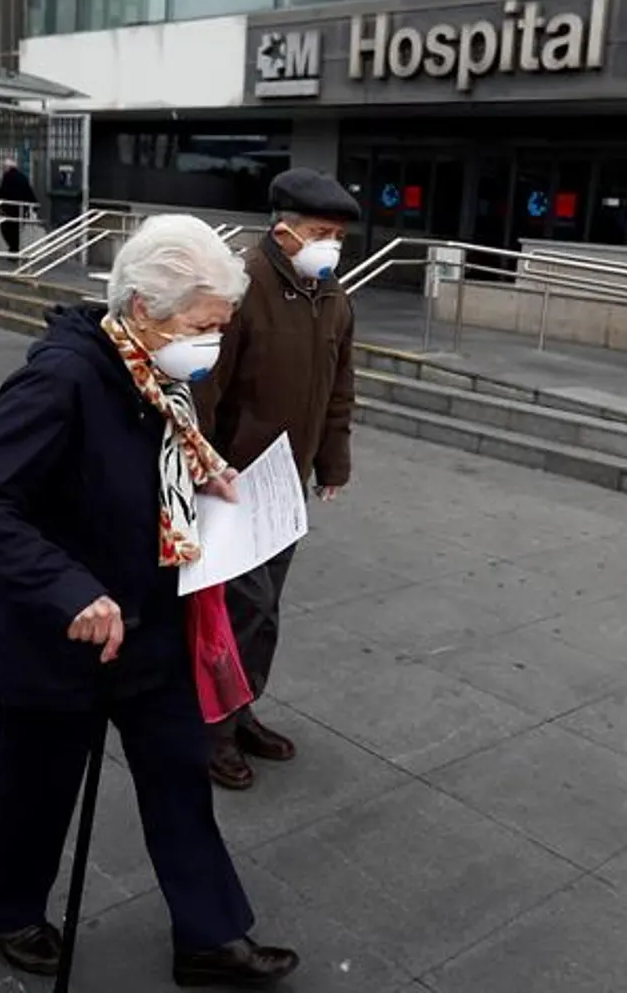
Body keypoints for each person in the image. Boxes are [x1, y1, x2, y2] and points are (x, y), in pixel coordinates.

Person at [0, 214, 299, 988]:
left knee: (178, 776)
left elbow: (150, 459)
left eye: (220, 328)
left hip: (153, 626)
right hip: (60, 639)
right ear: (142, 308)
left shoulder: (156, 374)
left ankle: (209, 934)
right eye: (203, 327)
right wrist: (69, 587)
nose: (212, 344)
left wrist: (203, 475)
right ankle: (10, 910)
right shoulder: (61, 378)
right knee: (32, 790)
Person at [195, 168, 360, 790]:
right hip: (232, 480)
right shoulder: (242, 288)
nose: (332, 246)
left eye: (339, 236)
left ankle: (239, 712)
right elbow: (203, 388)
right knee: (239, 609)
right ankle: (209, 732)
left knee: (265, 612)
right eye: (322, 233)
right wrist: (206, 466)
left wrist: (332, 463)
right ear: (284, 228)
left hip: (284, 486)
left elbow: (339, 388)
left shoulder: (334, 296)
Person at [0, 158, 38, 253]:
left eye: (4, 167)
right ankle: (14, 249)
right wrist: (34, 206)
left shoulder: (7, 176)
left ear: (8, 167)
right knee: (16, 229)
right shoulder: (22, 176)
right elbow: (28, 191)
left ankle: (13, 248)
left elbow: (2, 192)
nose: (3, 169)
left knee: (6, 228)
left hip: (10, 208)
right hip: (21, 208)